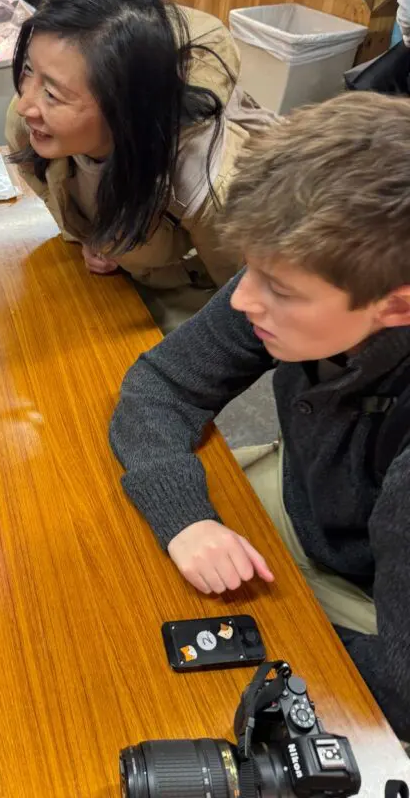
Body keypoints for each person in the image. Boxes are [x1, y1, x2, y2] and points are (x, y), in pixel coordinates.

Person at [109, 93, 410, 741]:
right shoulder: (310, 271)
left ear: (396, 306)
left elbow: (402, 685)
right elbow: (161, 383)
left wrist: (265, 635)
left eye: (279, 289)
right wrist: (185, 517)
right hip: (309, 509)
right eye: (251, 268)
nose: (244, 300)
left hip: (381, 604)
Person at [5, 0, 274, 305]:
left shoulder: (204, 179)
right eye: (28, 69)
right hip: (124, 283)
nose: (25, 105)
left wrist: (141, 262)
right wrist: (88, 237)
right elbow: (49, 190)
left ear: (124, 105)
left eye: (52, 93)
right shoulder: (30, 126)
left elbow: (243, 303)